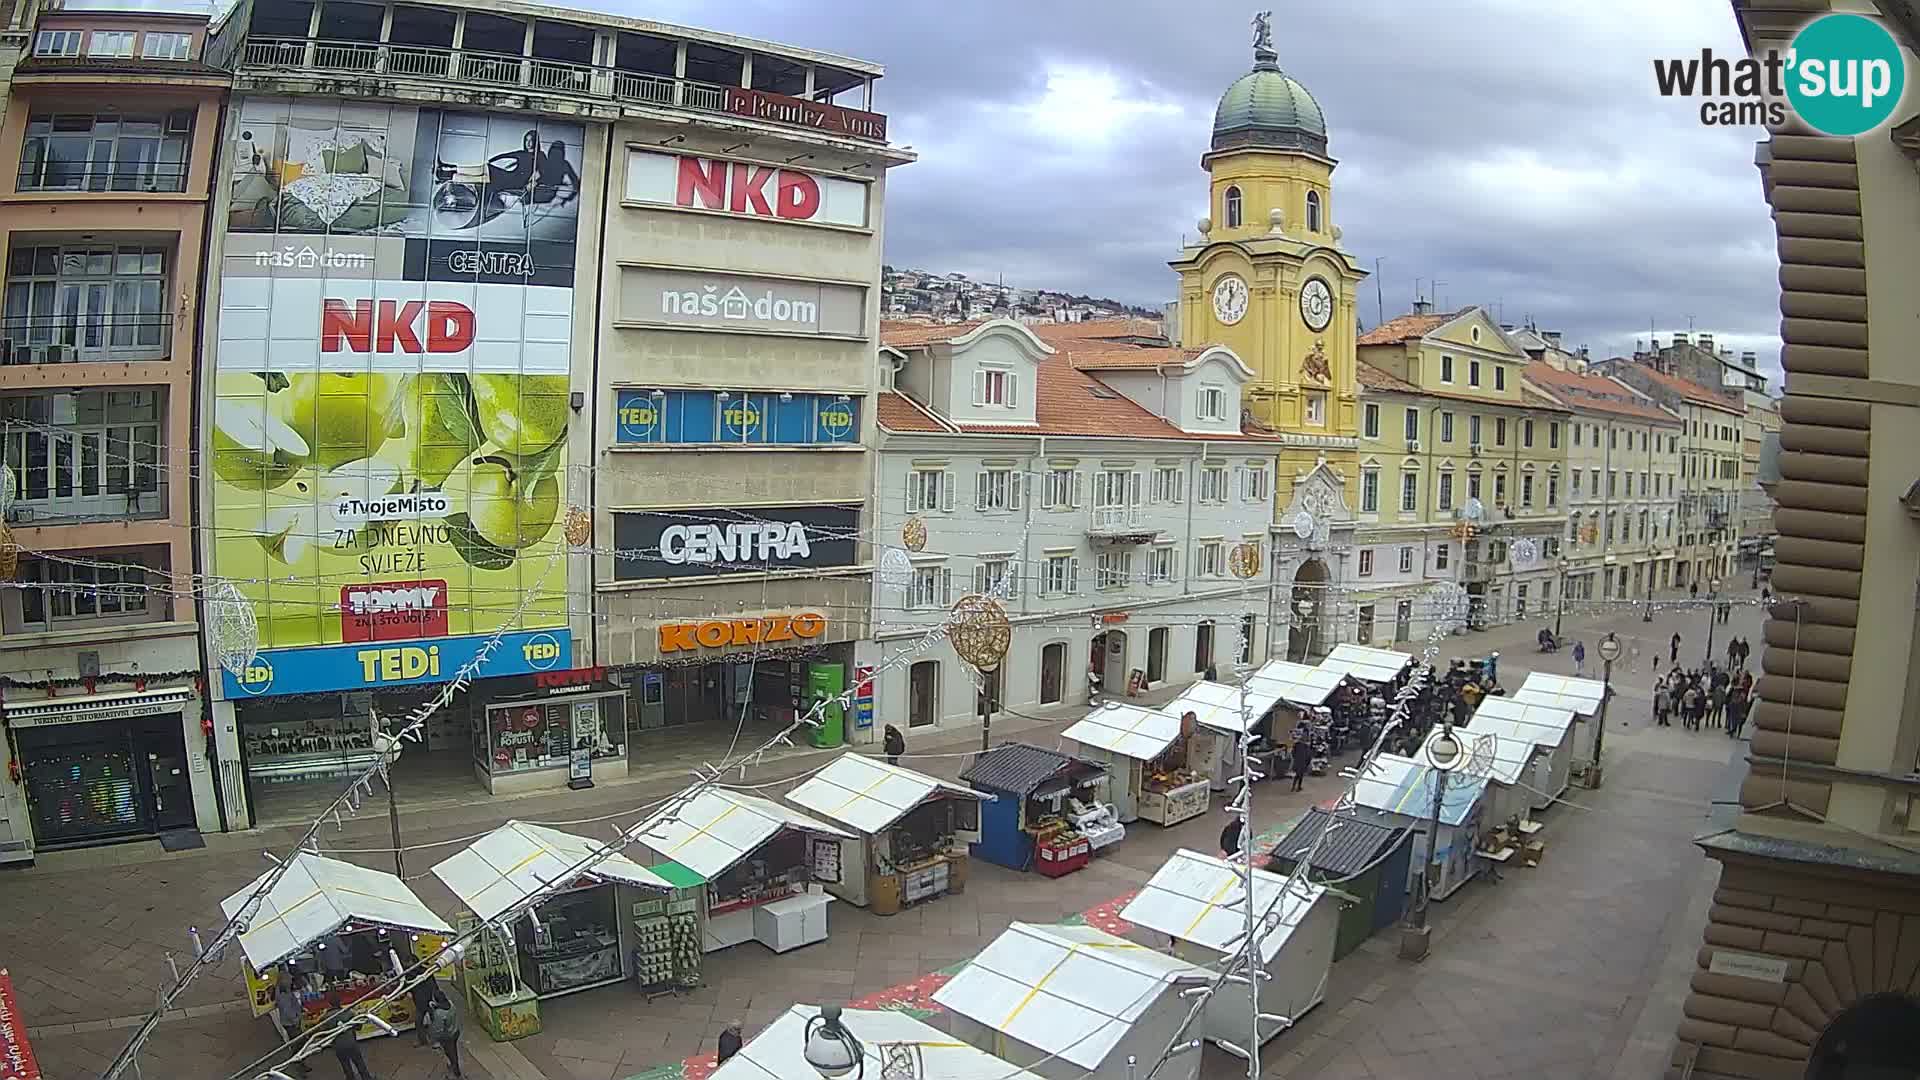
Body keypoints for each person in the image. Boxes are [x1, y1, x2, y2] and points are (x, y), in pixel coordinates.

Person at [424, 992, 463, 1079]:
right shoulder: (451, 1005)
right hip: (455, 1031)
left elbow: (438, 1029)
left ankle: (455, 1072)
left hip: (447, 1036)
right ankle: (455, 1069)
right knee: (453, 1051)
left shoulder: (439, 1013)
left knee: (450, 1053)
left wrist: (433, 1039)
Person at [329, 1012, 374, 1080]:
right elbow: (358, 1027)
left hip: (338, 1045)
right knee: (359, 1062)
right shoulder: (348, 1012)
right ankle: (366, 1078)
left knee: (345, 1065)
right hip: (351, 1042)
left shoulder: (326, 1018)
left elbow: (323, 1034)